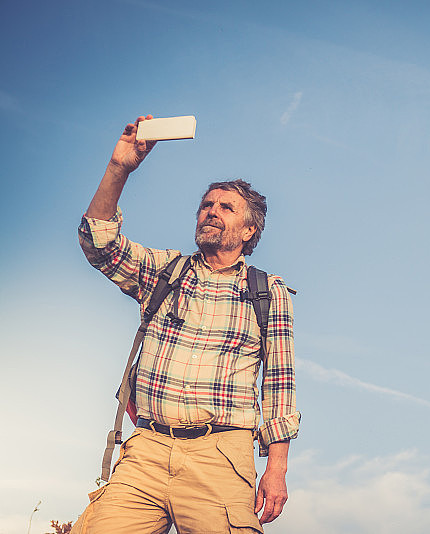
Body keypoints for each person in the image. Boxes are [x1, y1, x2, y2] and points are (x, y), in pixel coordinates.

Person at [72, 115, 300, 533]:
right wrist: (119, 167)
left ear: (249, 230)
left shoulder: (268, 292)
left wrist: (277, 468)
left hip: (222, 455)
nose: (212, 212)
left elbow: (280, 385)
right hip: (145, 452)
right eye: (206, 205)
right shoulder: (165, 271)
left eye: (226, 208)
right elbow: (98, 242)